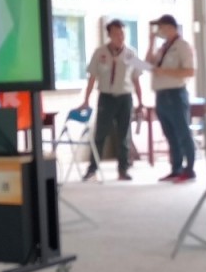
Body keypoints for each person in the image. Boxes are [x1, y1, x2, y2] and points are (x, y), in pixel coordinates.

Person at [79, 19, 144, 181]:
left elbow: (136, 79)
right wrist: (86, 99)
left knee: (124, 134)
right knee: (100, 134)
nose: (120, 37)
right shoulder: (99, 52)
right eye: (116, 34)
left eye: (122, 33)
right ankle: (92, 169)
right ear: (109, 35)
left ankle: (123, 169)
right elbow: (92, 78)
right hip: (106, 97)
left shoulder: (131, 53)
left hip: (125, 98)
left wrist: (140, 102)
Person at [146, 13, 196, 182]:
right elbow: (149, 63)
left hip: (175, 94)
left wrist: (165, 72)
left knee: (182, 132)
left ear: (170, 27)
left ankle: (189, 169)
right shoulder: (163, 47)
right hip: (161, 94)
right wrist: (151, 43)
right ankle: (176, 168)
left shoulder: (182, 46)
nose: (159, 31)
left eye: (161, 28)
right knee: (170, 134)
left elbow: (190, 71)